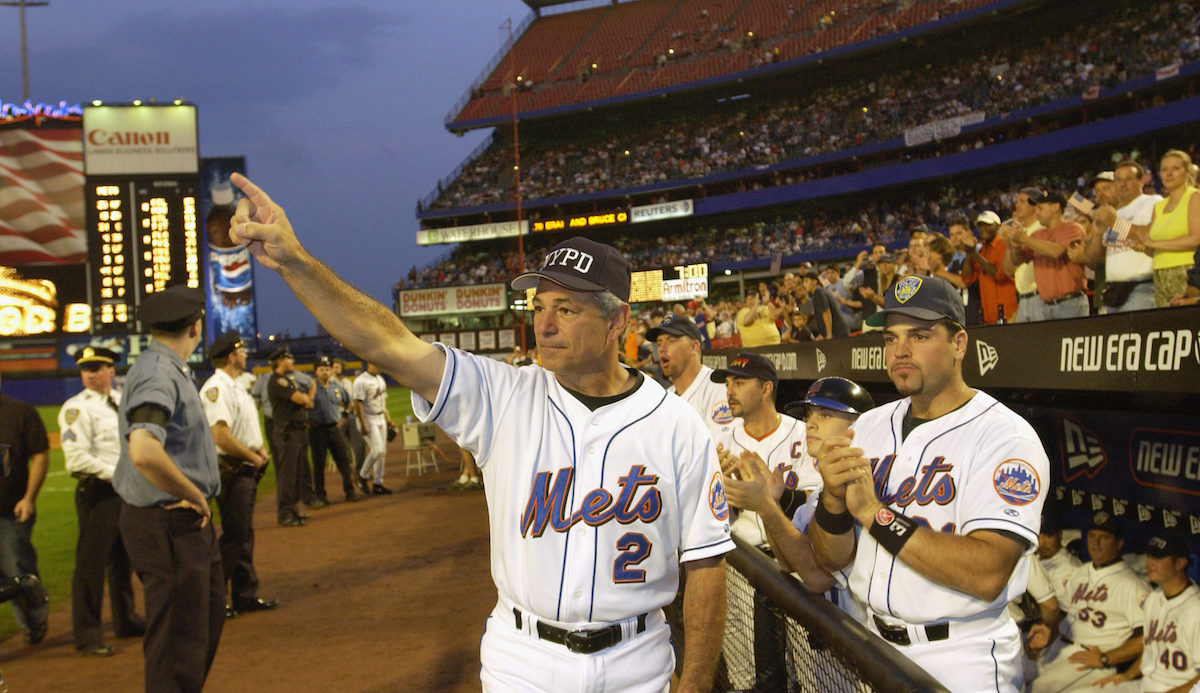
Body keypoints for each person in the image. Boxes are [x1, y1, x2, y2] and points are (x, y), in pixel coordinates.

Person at [229, 172, 732, 693]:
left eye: (566, 309)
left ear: (616, 321)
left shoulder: (676, 426)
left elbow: (708, 567)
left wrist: (693, 685)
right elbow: (387, 345)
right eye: (539, 307)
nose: (544, 324)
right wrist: (294, 261)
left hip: (637, 663)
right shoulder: (503, 395)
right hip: (524, 661)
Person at [807, 275, 1051, 692]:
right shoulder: (868, 427)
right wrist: (831, 501)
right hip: (872, 642)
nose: (900, 351)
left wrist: (875, 514)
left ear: (959, 344)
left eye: (920, 335)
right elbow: (831, 561)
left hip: (960, 656)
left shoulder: (1005, 436)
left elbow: (987, 572)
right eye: (891, 338)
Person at [112, 285, 224, 693]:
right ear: (196, 327)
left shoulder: (163, 366)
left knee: (200, 628)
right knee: (178, 645)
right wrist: (194, 494)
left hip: (177, 523)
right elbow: (143, 449)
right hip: (168, 521)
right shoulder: (159, 371)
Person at [58, 346, 144, 656]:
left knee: (123, 560)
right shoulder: (76, 408)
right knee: (90, 566)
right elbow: (76, 457)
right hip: (99, 492)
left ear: (111, 371)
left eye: (98, 368)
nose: (91, 374)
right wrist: (116, 474)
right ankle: (87, 633)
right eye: (86, 369)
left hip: (125, 492)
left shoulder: (122, 402)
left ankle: (126, 619)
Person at [199, 331, 278, 618]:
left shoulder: (235, 386)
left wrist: (259, 449)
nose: (246, 355)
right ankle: (215, 598)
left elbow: (242, 429)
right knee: (234, 536)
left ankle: (245, 594)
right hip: (231, 470)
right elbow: (219, 435)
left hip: (243, 468)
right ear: (231, 356)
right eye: (242, 351)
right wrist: (253, 457)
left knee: (243, 534)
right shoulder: (217, 388)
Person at [1029, 511, 1150, 693]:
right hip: (1057, 647)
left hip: (1088, 658)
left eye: (1104, 537)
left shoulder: (1132, 585)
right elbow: (1065, 614)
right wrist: (1047, 628)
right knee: (1011, 675)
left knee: (1041, 688)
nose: (1096, 543)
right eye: (1092, 536)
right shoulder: (1081, 573)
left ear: (1119, 544)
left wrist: (1105, 658)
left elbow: (1147, 638)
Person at [710, 352, 812, 547]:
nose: (729, 392)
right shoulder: (721, 444)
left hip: (793, 554)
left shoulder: (804, 435)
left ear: (766, 389)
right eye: (727, 385)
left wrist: (773, 497)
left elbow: (816, 504)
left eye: (739, 384)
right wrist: (715, 487)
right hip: (741, 556)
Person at [1092, 530, 1198, 693]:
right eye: (1149, 556)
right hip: (1145, 685)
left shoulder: (1195, 609)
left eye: (1158, 558)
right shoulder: (1154, 598)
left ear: (1180, 563)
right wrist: (1127, 676)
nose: (1149, 563)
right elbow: (1152, 650)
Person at [0, 372, 51, 646]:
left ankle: (34, 619)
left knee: (18, 570)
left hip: (10, 511)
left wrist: (29, 497)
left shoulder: (20, 413)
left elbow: (41, 454)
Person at [1085, 160, 1162, 313]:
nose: (1123, 184)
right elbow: (1092, 259)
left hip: (1142, 288)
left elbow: (1149, 236)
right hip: (1114, 291)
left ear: (1141, 180)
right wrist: (1098, 234)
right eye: (1118, 180)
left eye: (1129, 179)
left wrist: (1115, 222)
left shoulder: (1153, 202)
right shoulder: (1116, 214)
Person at [1006, 190, 1090, 320]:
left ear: (1056, 207)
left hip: (1070, 304)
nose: (1037, 212)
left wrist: (1024, 239)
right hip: (1044, 305)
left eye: (1040, 208)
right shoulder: (1037, 235)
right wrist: (1015, 245)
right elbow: (1017, 260)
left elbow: (1056, 251)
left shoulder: (1072, 228)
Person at [647, 314, 733, 441]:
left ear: (694, 347)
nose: (661, 349)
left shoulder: (718, 389)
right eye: (659, 343)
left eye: (671, 341)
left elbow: (723, 450)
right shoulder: (665, 396)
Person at [1131, 149, 1200, 307]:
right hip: (1160, 275)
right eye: (1164, 169)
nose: (1169, 174)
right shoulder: (1159, 206)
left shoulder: (1195, 197)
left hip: (1187, 273)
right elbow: (1155, 249)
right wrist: (1145, 247)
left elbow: (1196, 239)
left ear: (1187, 171)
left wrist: (1153, 243)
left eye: (1175, 168)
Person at [267, 347, 316, 525]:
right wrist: (306, 398)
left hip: (296, 431)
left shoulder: (287, 380)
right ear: (280, 361)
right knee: (287, 475)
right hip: (287, 433)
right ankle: (284, 513)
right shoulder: (278, 381)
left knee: (296, 474)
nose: (292, 361)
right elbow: (302, 401)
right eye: (289, 358)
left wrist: (306, 399)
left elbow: (307, 403)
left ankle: (293, 510)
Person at [310, 355, 362, 502]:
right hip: (317, 430)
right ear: (316, 372)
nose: (325, 372)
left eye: (327, 369)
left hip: (334, 428)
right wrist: (308, 420)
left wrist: (344, 417)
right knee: (319, 465)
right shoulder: (311, 388)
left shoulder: (336, 388)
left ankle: (350, 492)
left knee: (344, 461)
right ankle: (320, 495)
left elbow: (349, 402)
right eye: (322, 369)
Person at [961, 211, 1018, 324]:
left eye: (988, 225)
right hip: (988, 316)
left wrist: (974, 253)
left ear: (998, 226)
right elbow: (967, 279)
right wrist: (969, 253)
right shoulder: (982, 251)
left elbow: (999, 274)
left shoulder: (1004, 245)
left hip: (1008, 313)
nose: (983, 228)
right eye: (980, 225)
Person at [353, 362, 393, 495]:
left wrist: (389, 420)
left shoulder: (380, 379)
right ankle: (362, 475)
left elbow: (383, 403)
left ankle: (377, 484)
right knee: (377, 450)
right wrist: (362, 424)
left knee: (382, 453)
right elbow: (357, 405)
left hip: (380, 417)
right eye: (378, 364)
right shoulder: (361, 381)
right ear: (370, 363)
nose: (380, 367)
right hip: (368, 419)